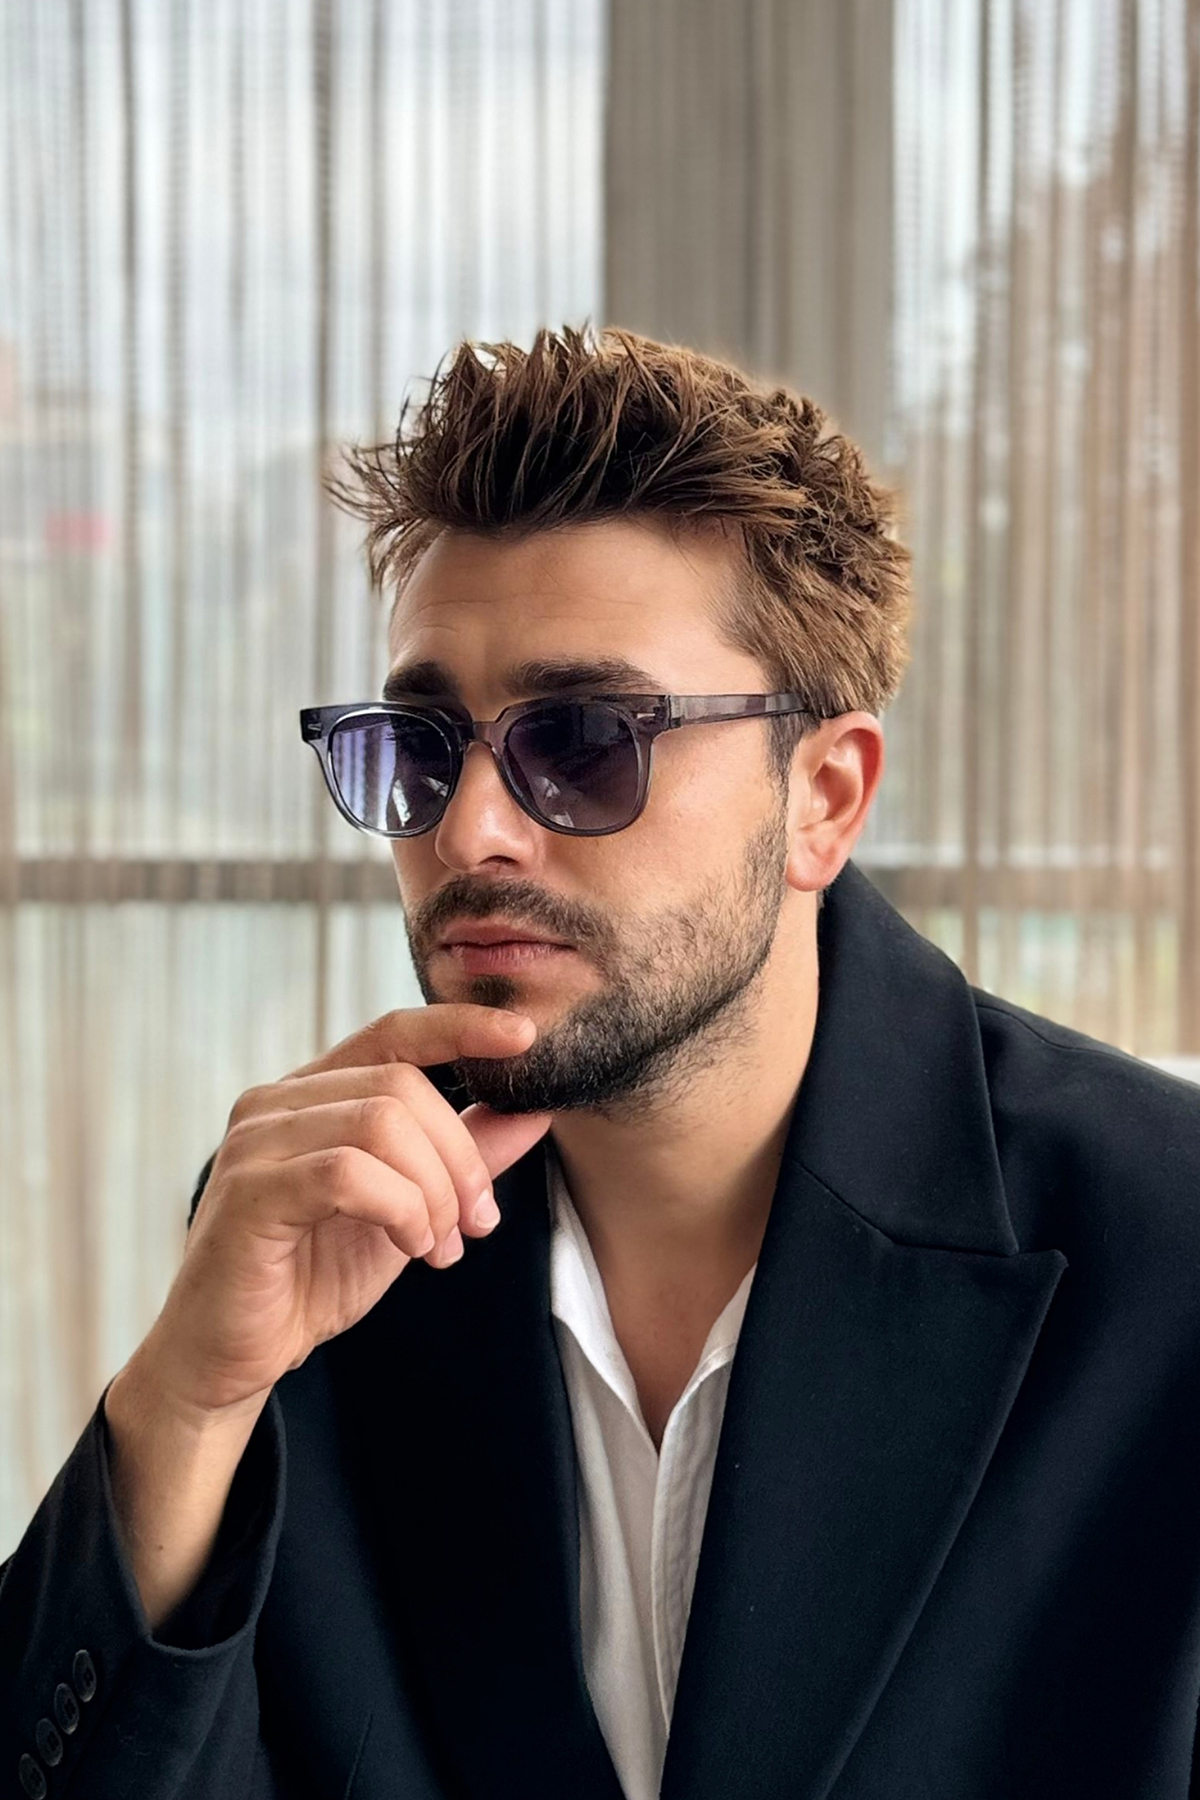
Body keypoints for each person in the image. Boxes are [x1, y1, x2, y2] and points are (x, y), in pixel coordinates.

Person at [4, 326, 1200, 1800]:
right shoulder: (318, 1242)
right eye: (420, 745)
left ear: (824, 798)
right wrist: (186, 1407)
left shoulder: (1166, 1249)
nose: (471, 831)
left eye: (582, 742)